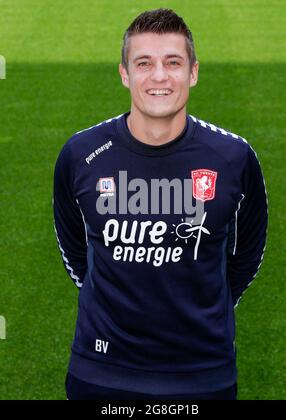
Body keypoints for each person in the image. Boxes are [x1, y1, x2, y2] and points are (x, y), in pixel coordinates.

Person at [53, 8, 268, 400]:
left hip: (203, 375)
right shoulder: (80, 154)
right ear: (124, 74)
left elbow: (247, 253)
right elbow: (75, 252)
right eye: (143, 63)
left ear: (194, 73)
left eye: (173, 62)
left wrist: (208, 308)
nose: (158, 77)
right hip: (101, 372)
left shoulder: (232, 157)